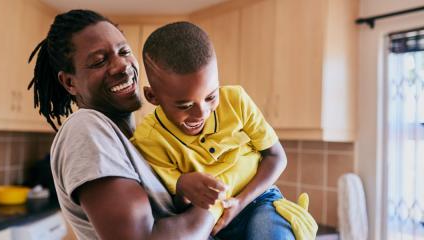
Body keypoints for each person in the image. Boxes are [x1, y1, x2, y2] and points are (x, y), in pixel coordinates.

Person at [28, 9, 317, 240]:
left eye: (123, 51)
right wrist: (219, 198)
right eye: (99, 60)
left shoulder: (134, 139)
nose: (120, 65)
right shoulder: (86, 129)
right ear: (69, 81)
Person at [131, 21, 302, 239]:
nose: (201, 113)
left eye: (211, 96)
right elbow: (169, 205)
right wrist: (182, 187)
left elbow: (276, 157)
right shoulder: (148, 139)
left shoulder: (236, 100)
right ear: (152, 97)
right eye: (184, 106)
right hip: (209, 221)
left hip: (258, 200)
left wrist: (239, 203)